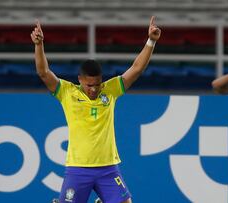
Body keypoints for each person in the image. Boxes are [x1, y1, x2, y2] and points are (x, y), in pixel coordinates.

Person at [31, 16, 161, 203]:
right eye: (89, 85)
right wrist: (38, 45)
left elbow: (137, 68)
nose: (93, 89)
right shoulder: (67, 92)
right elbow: (43, 72)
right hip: (78, 168)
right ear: (80, 80)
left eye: (97, 84)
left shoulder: (111, 90)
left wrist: (151, 41)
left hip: (108, 168)